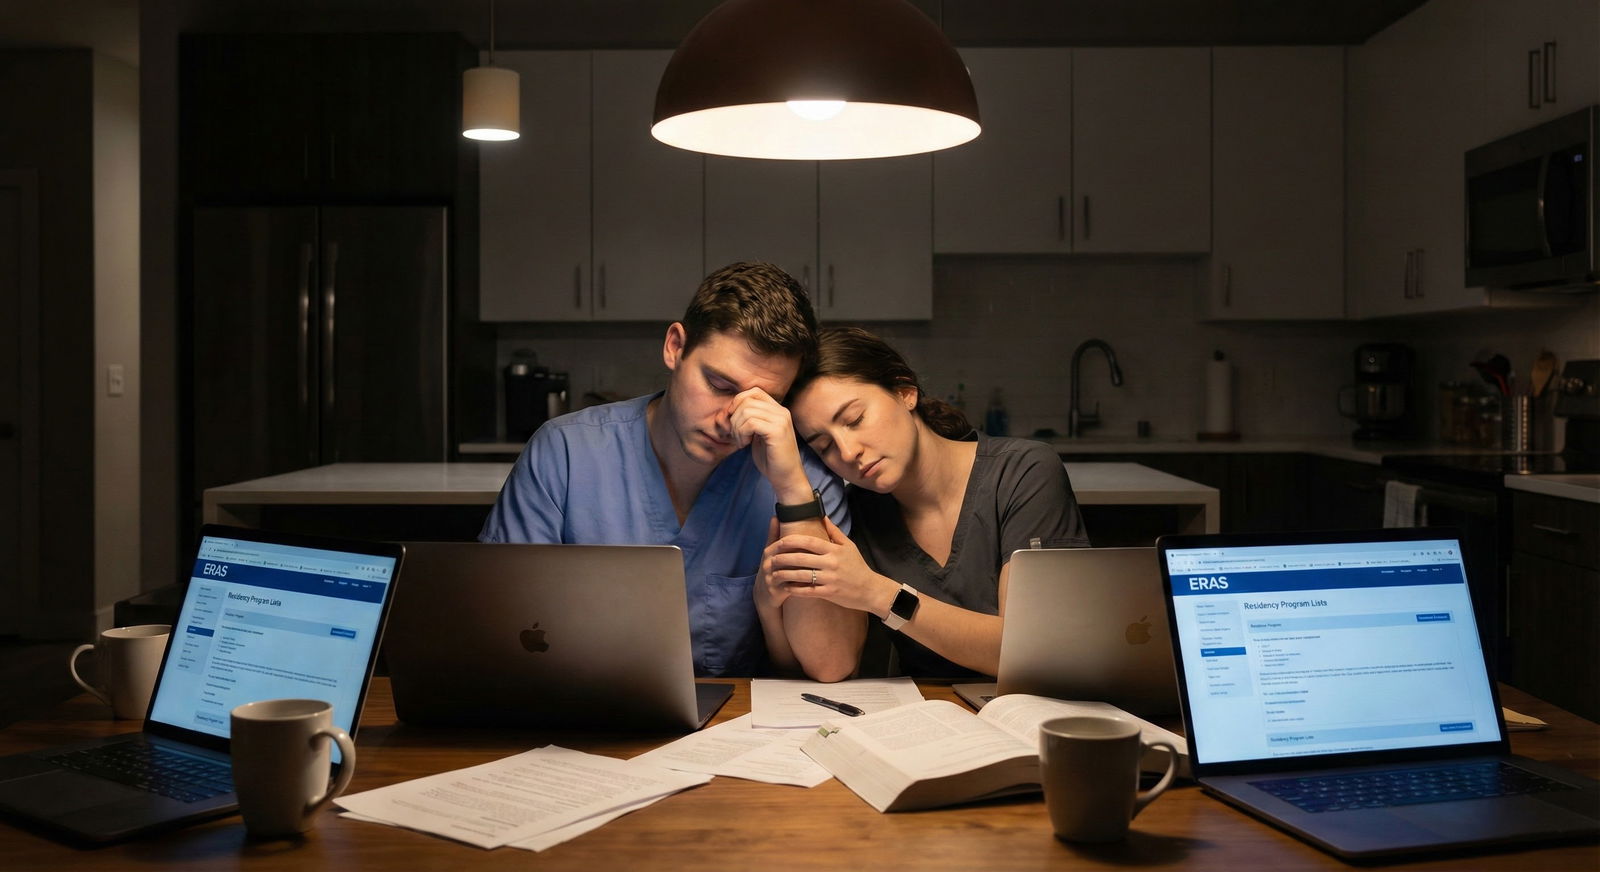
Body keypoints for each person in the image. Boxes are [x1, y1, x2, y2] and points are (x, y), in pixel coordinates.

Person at [480, 263, 861, 681]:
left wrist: (791, 489)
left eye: (763, 402)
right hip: (582, 714)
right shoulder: (567, 452)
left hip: (738, 727)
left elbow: (831, 665)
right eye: (719, 385)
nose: (730, 421)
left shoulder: (805, 479)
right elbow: (497, 629)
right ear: (675, 347)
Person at [758, 327, 1088, 678]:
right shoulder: (858, 513)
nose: (848, 452)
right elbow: (830, 665)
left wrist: (877, 592)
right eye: (824, 446)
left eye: (855, 420)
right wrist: (790, 482)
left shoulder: (1024, 472)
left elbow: (1034, 652)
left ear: (905, 392)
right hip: (931, 718)